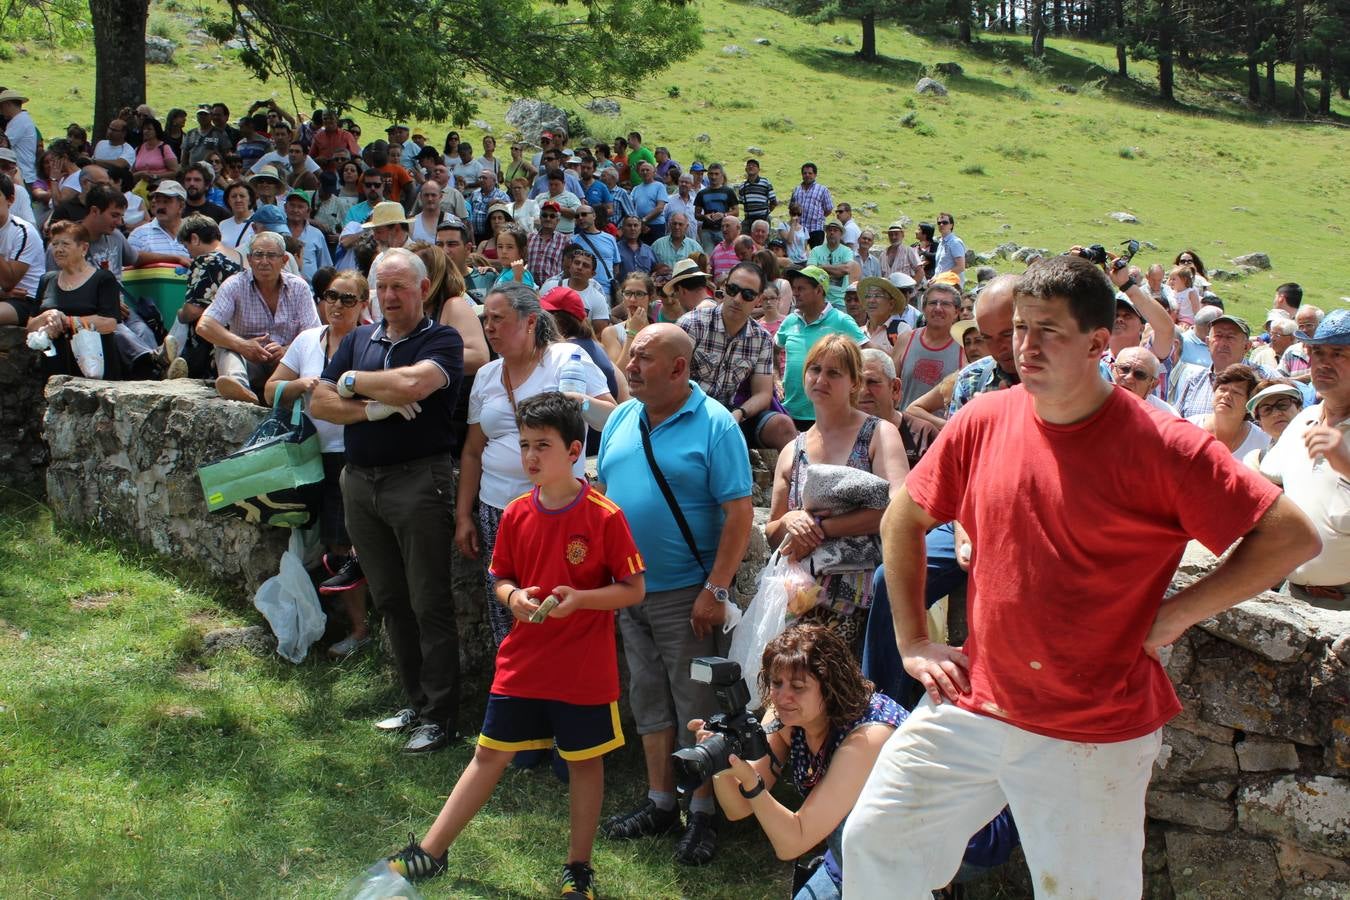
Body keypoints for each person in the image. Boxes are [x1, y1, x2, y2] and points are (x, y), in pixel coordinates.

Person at [844, 254, 1319, 898]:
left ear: (1100, 343)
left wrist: (1176, 613)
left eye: (1048, 331)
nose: (1026, 346)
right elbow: (903, 518)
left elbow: (1290, 534)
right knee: (876, 841)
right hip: (975, 702)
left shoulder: (1164, 442)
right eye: (1019, 329)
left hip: (1092, 729)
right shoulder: (985, 418)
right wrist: (912, 641)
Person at [387, 392, 645, 899]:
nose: (529, 457)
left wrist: (582, 599)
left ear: (574, 451)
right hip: (523, 661)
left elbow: (634, 589)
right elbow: (500, 577)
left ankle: (579, 869)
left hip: (583, 669)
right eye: (524, 445)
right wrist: (514, 597)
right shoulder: (514, 513)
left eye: (541, 446)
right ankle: (432, 852)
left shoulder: (605, 516)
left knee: (583, 763)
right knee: (487, 755)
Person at [597, 323, 753, 866]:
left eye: (643, 357)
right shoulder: (622, 416)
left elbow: (739, 512)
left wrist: (715, 588)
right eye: (631, 355)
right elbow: (605, 495)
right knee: (647, 698)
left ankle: (704, 814)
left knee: (696, 707)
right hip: (628, 590)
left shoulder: (714, 426)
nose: (631, 365)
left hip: (686, 595)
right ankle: (661, 802)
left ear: (679, 368)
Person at [310, 248, 466, 753]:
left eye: (399, 286)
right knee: (392, 601)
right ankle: (416, 700)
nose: (390, 296)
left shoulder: (440, 338)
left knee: (428, 600)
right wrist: (377, 409)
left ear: (423, 290)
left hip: (419, 481)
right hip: (361, 482)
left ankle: (440, 715)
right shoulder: (359, 337)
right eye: (382, 287)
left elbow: (415, 383)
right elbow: (319, 401)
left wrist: (353, 383)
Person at [455, 282, 615, 647]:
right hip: (499, 510)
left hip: (559, 510)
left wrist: (581, 402)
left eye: (499, 319)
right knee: (510, 603)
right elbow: (473, 451)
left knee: (561, 600)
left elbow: (615, 419)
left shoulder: (567, 359)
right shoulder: (486, 376)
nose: (490, 328)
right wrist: (464, 514)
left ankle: (564, 692)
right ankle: (515, 688)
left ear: (530, 322)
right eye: (486, 320)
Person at [697, 623, 905, 900]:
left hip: (915, 851)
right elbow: (738, 808)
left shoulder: (868, 738)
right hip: (855, 849)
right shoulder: (786, 716)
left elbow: (792, 842)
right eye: (776, 682)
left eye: (798, 686)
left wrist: (751, 782)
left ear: (830, 688)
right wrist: (721, 760)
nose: (783, 697)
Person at [766, 335, 908, 651]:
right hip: (803, 601)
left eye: (834, 373)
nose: (821, 379)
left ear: (854, 382)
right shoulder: (792, 450)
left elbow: (898, 508)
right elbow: (773, 532)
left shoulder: (879, 434)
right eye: (815, 369)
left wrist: (821, 528)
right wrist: (792, 519)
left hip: (866, 601)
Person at [264, 271, 372, 657]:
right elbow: (271, 389)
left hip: (354, 453)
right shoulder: (308, 339)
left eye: (347, 299)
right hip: (310, 454)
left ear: (363, 304)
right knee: (324, 542)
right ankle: (335, 625)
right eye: (331, 296)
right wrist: (301, 385)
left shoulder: (372, 342)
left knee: (350, 543)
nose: (337, 305)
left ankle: (360, 631)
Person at [1260, 308, 1350, 605]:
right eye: (1317, 351)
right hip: (1292, 598)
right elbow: (1266, 479)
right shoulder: (1303, 421)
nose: (1323, 362)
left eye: (1338, 353)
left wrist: (1345, 464)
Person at [678, 261, 797, 450]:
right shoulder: (691, 325)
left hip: (732, 414)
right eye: (733, 289)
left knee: (783, 426)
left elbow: (763, 394)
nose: (738, 298)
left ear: (758, 300)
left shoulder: (762, 338)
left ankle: (791, 478)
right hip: (686, 411)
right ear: (724, 289)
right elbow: (670, 380)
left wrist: (740, 413)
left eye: (747, 294)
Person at [195, 231, 321, 403]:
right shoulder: (235, 284)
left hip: (285, 365)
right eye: (258, 255)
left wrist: (286, 349)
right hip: (248, 362)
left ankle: (290, 396)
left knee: (305, 354)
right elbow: (205, 325)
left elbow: (315, 335)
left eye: (271, 256)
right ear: (249, 259)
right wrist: (243, 345)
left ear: (284, 260)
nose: (264, 262)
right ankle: (239, 389)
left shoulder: (299, 288)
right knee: (225, 346)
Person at [25, 220, 122, 378]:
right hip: (55, 365)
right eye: (55, 244)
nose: (58, 250)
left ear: (83, 248)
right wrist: (47, 316)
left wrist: (67, 321)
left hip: (94, 364)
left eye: (65, 244)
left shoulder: (103, 279)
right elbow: (30, 326)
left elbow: (109, 323)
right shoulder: (47, 279)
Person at [776, 265, 866, 431]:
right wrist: (775, 378)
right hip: (790, 412)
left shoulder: (841, 321)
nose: (795, 293)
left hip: (829, 416)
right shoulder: (790, 321)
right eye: (794, 288)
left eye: (801, 288)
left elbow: (868, 353)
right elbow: (772, 350)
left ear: (818, 290)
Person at [1172, 314, 1268, 418]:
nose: (1223, 343)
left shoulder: (1262, 379)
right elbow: (1177, 421)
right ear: (1207, 343)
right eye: (1218, 336)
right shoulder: (1195, 380)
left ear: (1247, 346)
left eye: (1230, 337)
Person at [859, 348, 939, 470]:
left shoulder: (924, 436)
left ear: (895, 388)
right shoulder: (839, 436)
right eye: (856, 383)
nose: (863, 391)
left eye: (872, 382)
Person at [892, 281, 966, 411]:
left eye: (945, 304)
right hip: (905, 426)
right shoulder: (905, 340)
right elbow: (890, 387)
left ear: (956, 312)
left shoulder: (965, 347)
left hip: (943, 428)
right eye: (932, 303)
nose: (938, 309)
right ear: (924, 309)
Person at [1186, 364, 1269, 459]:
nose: (1227, 395)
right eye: (1222, 389)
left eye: (1236, 392)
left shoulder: (1262, 443)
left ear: (1249, 404)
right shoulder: (1188, 427)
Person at [0, 172, 45, 326]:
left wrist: (4, 292)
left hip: (26, 300)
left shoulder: (23, 231)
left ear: (10, 200)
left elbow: (8, 282)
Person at [1112, 346, 1178, 416]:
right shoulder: (1099, 400)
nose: (1129, 378)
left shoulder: (1167, 417)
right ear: (1112, 369)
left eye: (1139, 374)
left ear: (1152, 385)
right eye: (1124, 369)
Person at [807, 220, 857, 309]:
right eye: (829, 230)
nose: (832, 232)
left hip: (840, 300)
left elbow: (846, 269)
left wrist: (821, 267)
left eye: (835, 230)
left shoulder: (847, 251)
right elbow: (810, 272)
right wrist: (837, 270)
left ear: (841, 234)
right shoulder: (816, 250)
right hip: (819, 299)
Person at [1246, 380, 1303, 457]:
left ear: (1300, 409)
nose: (1276, 414)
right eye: (1266, 409)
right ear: (1260, 423)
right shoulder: (1256, 461)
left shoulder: (1322, 446)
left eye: (1282, 405)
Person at [857, 276, 913, 351]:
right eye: (868, 296)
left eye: (877, 296)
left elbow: (901, 361)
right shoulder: (859, 331)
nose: (871, 300)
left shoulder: (902, 330)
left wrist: (867, 345)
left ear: (891, 304)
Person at [694, 163, 738, 255]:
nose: (713, 177)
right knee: (708, 256)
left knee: (725, 254)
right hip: (707, 230)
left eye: (716, 174)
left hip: (724, 230)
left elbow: (736, 211)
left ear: (721, 175)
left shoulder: (728, 192)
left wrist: (724, 215)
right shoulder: (702, 193)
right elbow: (696, 215)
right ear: (708, 175)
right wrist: (705, 216)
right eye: (711, 174)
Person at [789, 163, 833, 248]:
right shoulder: (796, 190)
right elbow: (791, 208)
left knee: (816, 257)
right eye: (805, 173)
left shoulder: (822, 189)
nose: (807, 175)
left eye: (810, 173)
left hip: (815, 229)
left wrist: (818, 217)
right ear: (802, 175)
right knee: (798, 255)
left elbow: (828, 209)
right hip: (799, 230)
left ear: (815, 175)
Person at [527, 201, 570, 283]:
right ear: (540, 218)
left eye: (552, 216)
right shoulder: (529, 237)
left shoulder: (565, 241)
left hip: (552, 289)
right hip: (530, 287)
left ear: (558, 220)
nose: (548, 219)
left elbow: (567, 267)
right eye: (544, 215)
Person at [0, 89, 36, 185]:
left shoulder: (20, 121)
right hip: (22, 173)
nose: (1, 111)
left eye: (1, 107)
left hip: (22, 175)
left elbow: (3, 145)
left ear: (7, 104)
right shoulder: (20, 120)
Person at [737, 158, 776, 227]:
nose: (751, 167)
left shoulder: (765, 182)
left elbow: (773, 202)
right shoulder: (742, 186)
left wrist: (766, 213)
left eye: (754, 165)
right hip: (748, 220)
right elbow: (740, 202)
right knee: (744, 237)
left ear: (758, 170)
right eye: (749, 165)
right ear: (746, 169)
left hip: (763, 219)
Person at [931, 212, 966, 287]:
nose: (941, 225)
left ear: (951, 225)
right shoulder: (941, 242)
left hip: (952, 285)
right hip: (940, 283)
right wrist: (935, 277)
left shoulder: (955, 242)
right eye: (939, 223)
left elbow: (960, 267)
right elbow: (941, 266)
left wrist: (940, 277)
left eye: (945, 222)